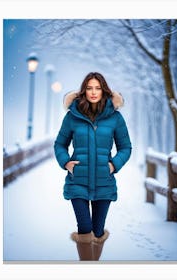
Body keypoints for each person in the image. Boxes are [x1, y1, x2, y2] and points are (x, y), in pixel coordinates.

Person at [54, 72, 132, 261]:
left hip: (104, 182)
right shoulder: (72, 116)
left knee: (97, 232)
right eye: (89, 88)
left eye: (97, 88)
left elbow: (125, 147)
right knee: (85, 228)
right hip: (77, 181)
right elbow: (59, 144)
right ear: (84, 90)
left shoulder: (115, 117)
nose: (93, 92)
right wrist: (66, 162)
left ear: (104, 90)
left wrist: (113, 165)